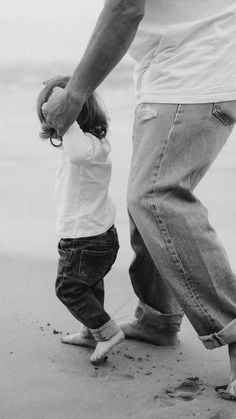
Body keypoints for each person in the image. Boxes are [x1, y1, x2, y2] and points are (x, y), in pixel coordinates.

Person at [41, 0, 236, 396]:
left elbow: (126, 8)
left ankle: (230, 325)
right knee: (144, 204)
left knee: (155, 197)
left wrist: (75, 94)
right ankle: (158, 319)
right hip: (178, 72)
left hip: (195, 73)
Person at [37, 75, 124, 365]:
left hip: (86, 239)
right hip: (97, 235)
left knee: (69, 288)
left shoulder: (84, 147)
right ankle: (89, 331)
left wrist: (67, 116)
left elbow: (76, 155)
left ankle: (106, 331)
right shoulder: (95, 143)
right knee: (89, 285)